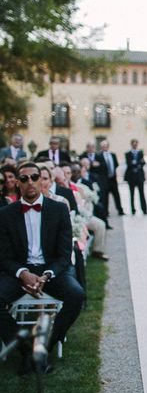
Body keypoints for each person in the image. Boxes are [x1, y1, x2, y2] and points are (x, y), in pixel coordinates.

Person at [0, 162, 85, 375]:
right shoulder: (6, 214)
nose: (30, 182)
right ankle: (26, 351)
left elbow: (64, 255)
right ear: (18, 183)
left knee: (76, 295)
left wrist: (46, 275)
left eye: (34, 177)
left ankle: (44, 349)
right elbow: (4, 257)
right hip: (20, 272)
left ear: (41, 180)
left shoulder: (58, 210)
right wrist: (23, 274)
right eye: (24, 178)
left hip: (51, 271)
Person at [100, 140, 125, 216]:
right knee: (105, 196)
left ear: (108, 146)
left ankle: (120, 210)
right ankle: (106, 212)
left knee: (116, 195)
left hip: (113, 179)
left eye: (106, 145)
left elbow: (116, 164)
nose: (105, 147)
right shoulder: (99, 156)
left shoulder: (112, 155)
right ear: (101, 147)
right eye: (103, 146)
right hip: (105, 179)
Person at [124, 139, 147, 215]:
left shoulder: (140, 153)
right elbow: (129, 163)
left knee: (142, 193)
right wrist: (138, 163)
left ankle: (144, 209)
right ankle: (133, 210)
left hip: (139, 176)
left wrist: (136, 163)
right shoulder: (128, 153)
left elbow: (143, 162)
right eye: (133, 144)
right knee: (132, 194)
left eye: (136, 144)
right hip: (131, 177)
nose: (135, 145)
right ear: (131, 144)